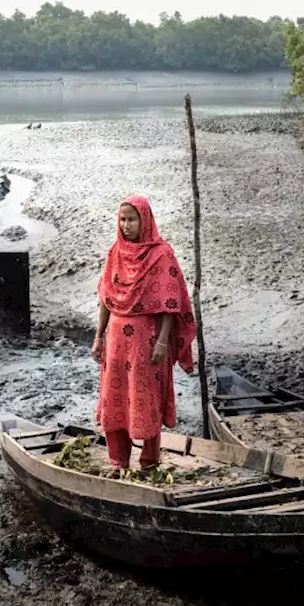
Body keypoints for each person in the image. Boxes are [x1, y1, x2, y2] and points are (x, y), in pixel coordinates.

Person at [92, 195, 197, 474]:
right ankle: (118, 462)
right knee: (114, 397)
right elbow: (106, 298)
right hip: (116, 341)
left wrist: (163, 341)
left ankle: (149, 462)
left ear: (145, 220)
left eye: (132, 219)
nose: (126, 225)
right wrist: (98, 337)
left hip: (148, 342)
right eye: (122, 219)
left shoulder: (161, 254)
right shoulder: (116, 252)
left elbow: (170, 303)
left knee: (145, 397)